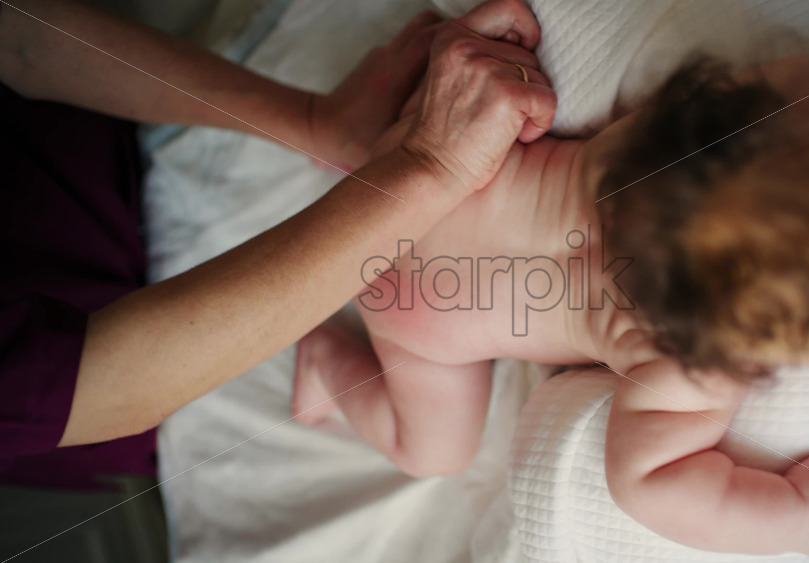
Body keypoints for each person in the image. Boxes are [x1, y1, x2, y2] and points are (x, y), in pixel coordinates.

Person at [292, 40, 809, 554]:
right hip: (412, 318)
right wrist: (798, 518)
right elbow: (649, 482)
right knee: (433, 453)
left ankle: (341, 154)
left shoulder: (725, 128)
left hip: (413, 168)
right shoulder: (686, 365)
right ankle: (326, 354)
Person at [0, 0, 555, 495]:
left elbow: (17, 38)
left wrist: (324, 124)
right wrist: (428, 164)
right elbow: (93, 389)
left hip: (429, 251)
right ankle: (325, 359)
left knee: (436, 455)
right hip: (427, 257)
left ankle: (324, 363)